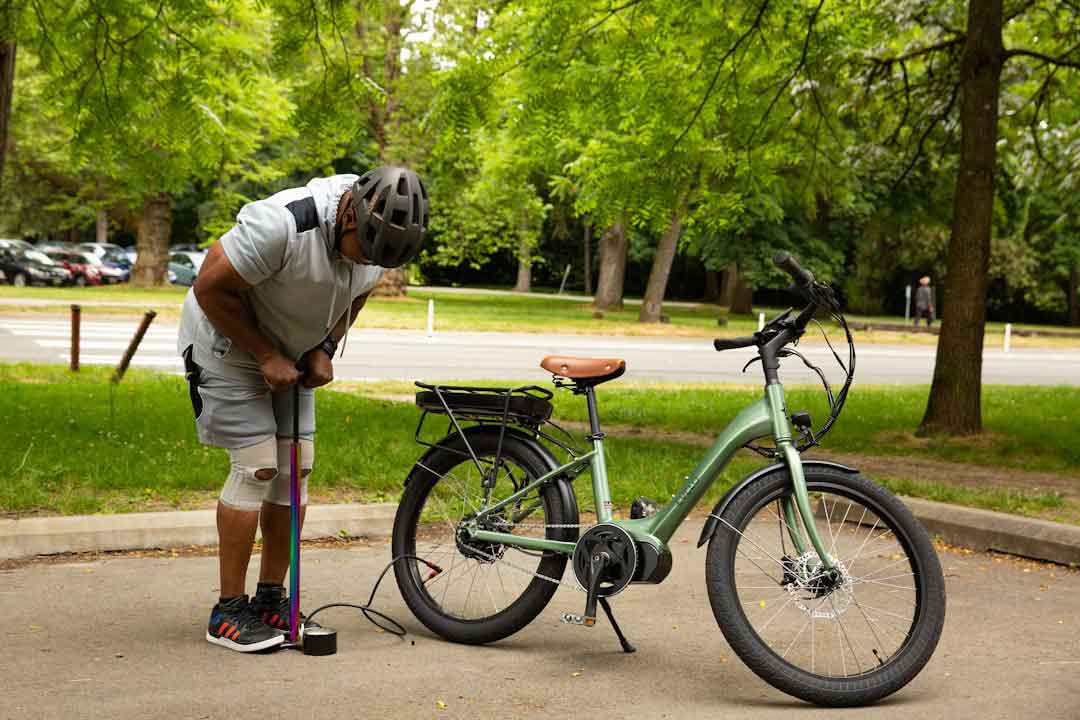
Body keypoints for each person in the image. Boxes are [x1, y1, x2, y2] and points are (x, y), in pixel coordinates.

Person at [177, 166, 429, 652]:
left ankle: (271, 600)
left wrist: (327, 347)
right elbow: (210, 287)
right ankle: (227, 611)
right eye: (366, 253)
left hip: (290, 352)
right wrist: (264, 354)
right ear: (351, 218)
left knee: (296, 469)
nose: (369, 265)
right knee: (257, 467)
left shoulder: (376, 247)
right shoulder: (283, 225)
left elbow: (358, 291)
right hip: (228, 346)